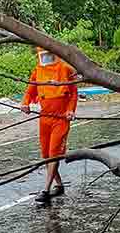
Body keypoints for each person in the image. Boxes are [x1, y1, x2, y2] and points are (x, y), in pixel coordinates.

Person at [21, 48, 79, 203]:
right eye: (42, 55)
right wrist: (25, 104)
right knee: (46, 155)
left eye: (48, 54)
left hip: (61, 119)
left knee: (54, 152)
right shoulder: (37, 71)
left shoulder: (67, 70)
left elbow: (73, 93)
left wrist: (70, 110)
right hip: (44, 118)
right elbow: (29, 91)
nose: (45, 58)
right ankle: (59, 185)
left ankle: (45, 189)